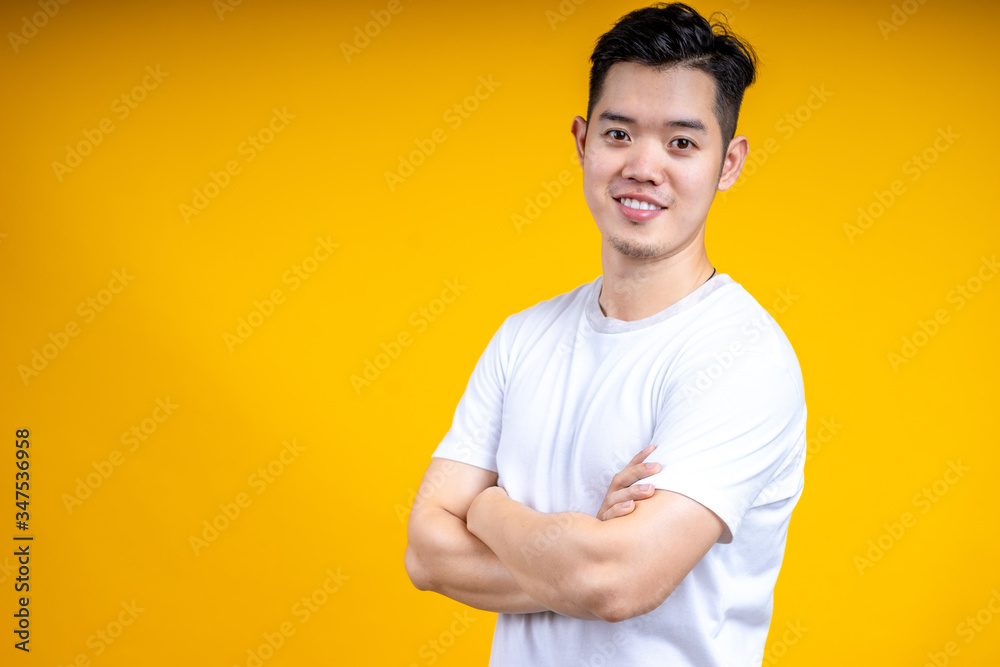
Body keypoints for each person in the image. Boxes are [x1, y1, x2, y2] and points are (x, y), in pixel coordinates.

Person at [404, 3, 807, 665]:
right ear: (582, 141)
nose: (644, 166)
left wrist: (488, 510)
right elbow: (425, 551)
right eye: (619, 134)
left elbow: (617, 581)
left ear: (728, 163)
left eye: (682, 142)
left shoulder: (742, 355)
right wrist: (580, 551)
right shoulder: (522, 338)